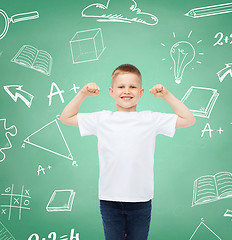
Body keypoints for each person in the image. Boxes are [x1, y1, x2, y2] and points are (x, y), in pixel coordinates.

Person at [60, 64, 196, 240]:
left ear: (141, 92)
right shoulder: (102, 119)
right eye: (121, 86)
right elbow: (65, 118)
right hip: (110, 199)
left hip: (141, 200)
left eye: (133, 87)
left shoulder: (150, 119)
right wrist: (83, 94)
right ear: (111, 91)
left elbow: (189, 119)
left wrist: (166, 96)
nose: (127, 91)